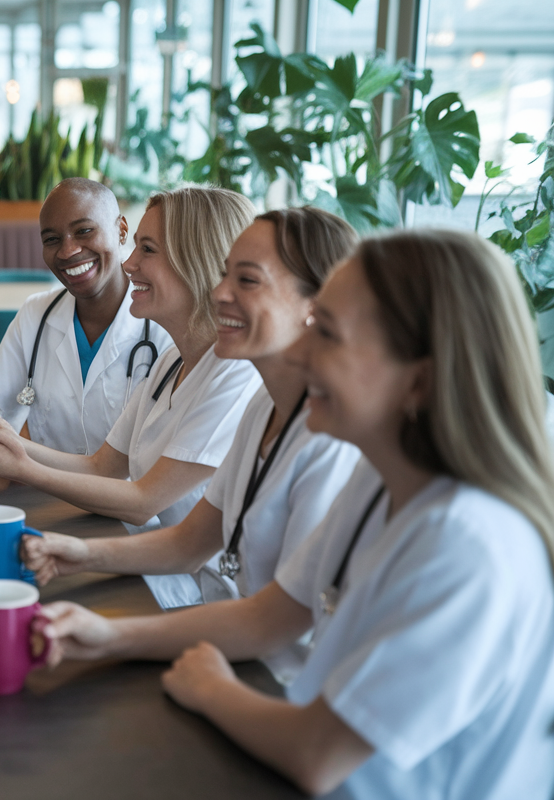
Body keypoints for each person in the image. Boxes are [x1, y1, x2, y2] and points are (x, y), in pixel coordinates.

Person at [35, 229, 554, 798]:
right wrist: (107, 636)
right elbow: (269, 616)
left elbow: (318, 753)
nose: (300, 354)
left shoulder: (468, 544)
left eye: (327, 334)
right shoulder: (381, 475)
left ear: (420, 380)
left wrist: (211, 686)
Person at [22, 208, 362, 680]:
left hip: (276, 679)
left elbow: (273, 622)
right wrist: (77, 554)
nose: (219, 293)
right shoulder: (266, 405)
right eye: (225, 275)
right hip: (230, 648)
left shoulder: (330, 440)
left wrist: (111, 638)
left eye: (247, 281)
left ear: (315, 306)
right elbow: (190, 541)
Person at [0, 185, 262, 608]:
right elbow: (105, 467)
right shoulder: (170, 362)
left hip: (205, 590)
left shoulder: (235, 374)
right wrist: (7, 443)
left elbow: (144, 501)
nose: (129, 263)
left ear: (195, 261)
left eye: (146, 249)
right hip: (155, 561)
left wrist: (21, 465)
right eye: (52, 238)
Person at [0, 178, 172, 455]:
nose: (68, 251)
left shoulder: (164, 325)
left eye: (84, 231)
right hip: (41, 495)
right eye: (52, 240)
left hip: (123, 496)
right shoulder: (36, 314)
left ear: (122, 230)